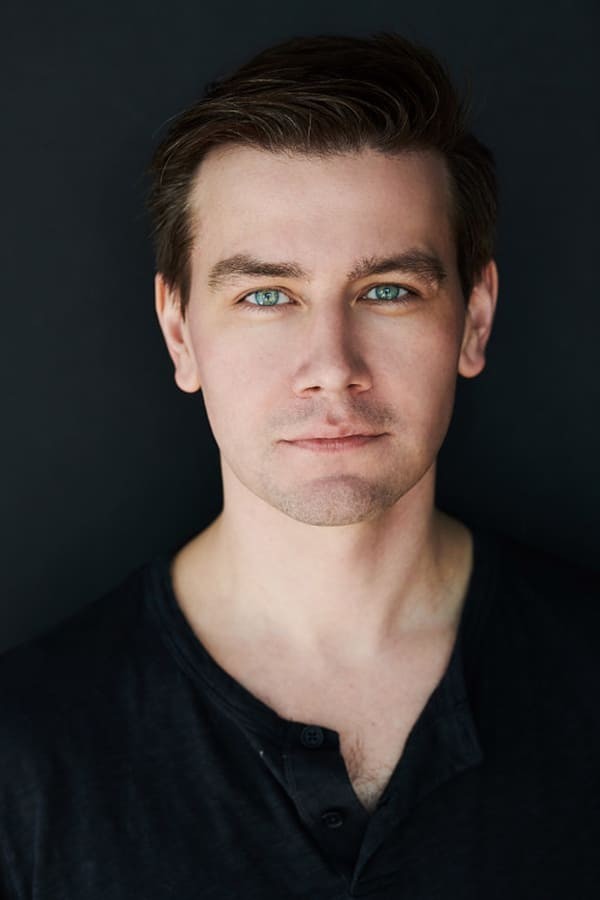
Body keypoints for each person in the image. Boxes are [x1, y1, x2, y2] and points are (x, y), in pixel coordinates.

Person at [1, 31, 598, 900]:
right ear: (180, 333)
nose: (331, 365)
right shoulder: (24, 750)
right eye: (266, 295)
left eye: (388, 291)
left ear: (474, 321)